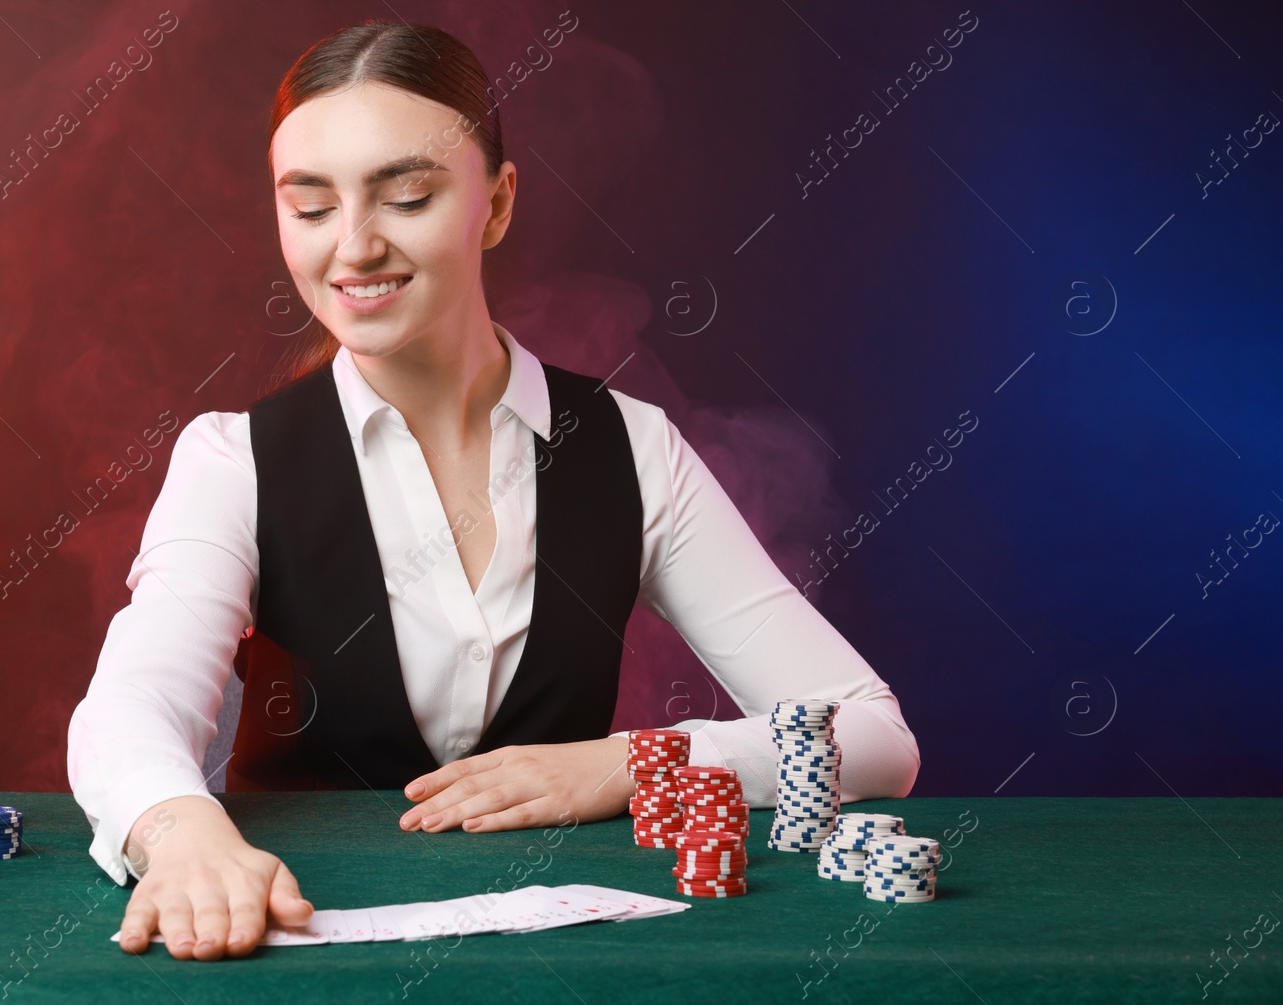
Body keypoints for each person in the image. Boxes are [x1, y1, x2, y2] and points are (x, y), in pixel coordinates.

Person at [67, 19, 920, 963]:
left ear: (498, 203)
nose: (354, 248)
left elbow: (875, 734)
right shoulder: (234, 460)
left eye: (407, 196)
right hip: (298, 953)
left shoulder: (634, 447)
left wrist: (630, 763)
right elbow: (127, 712)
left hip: (566, 964)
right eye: (310, 209)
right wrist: (185, 839)